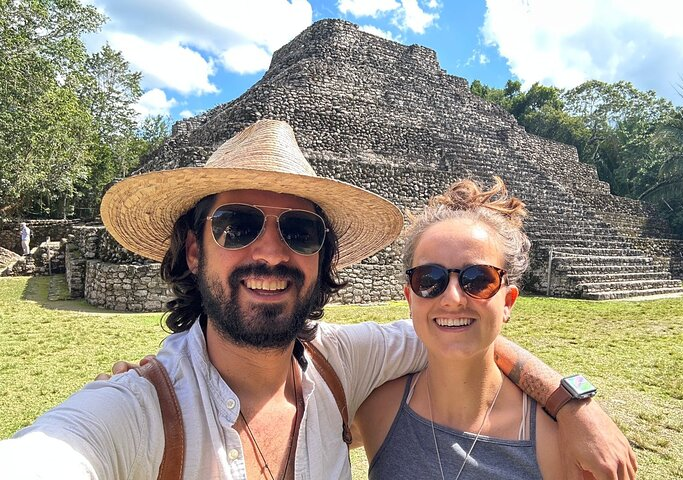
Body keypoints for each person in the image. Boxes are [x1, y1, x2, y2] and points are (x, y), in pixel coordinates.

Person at [0, 120, 636, 479]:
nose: (270, 253)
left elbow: (460, 330)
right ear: (193, 250)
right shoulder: (133, 414)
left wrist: (571, 400)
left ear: (324, 259)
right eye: (237, 226)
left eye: (300, 231)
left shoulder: (342, 363)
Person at [356, 178, 576, 478]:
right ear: (410, 298)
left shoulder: (558, 444)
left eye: (478, 279)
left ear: (508, 301)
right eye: (429, 279)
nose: (453, 298)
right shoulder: (375, 410)